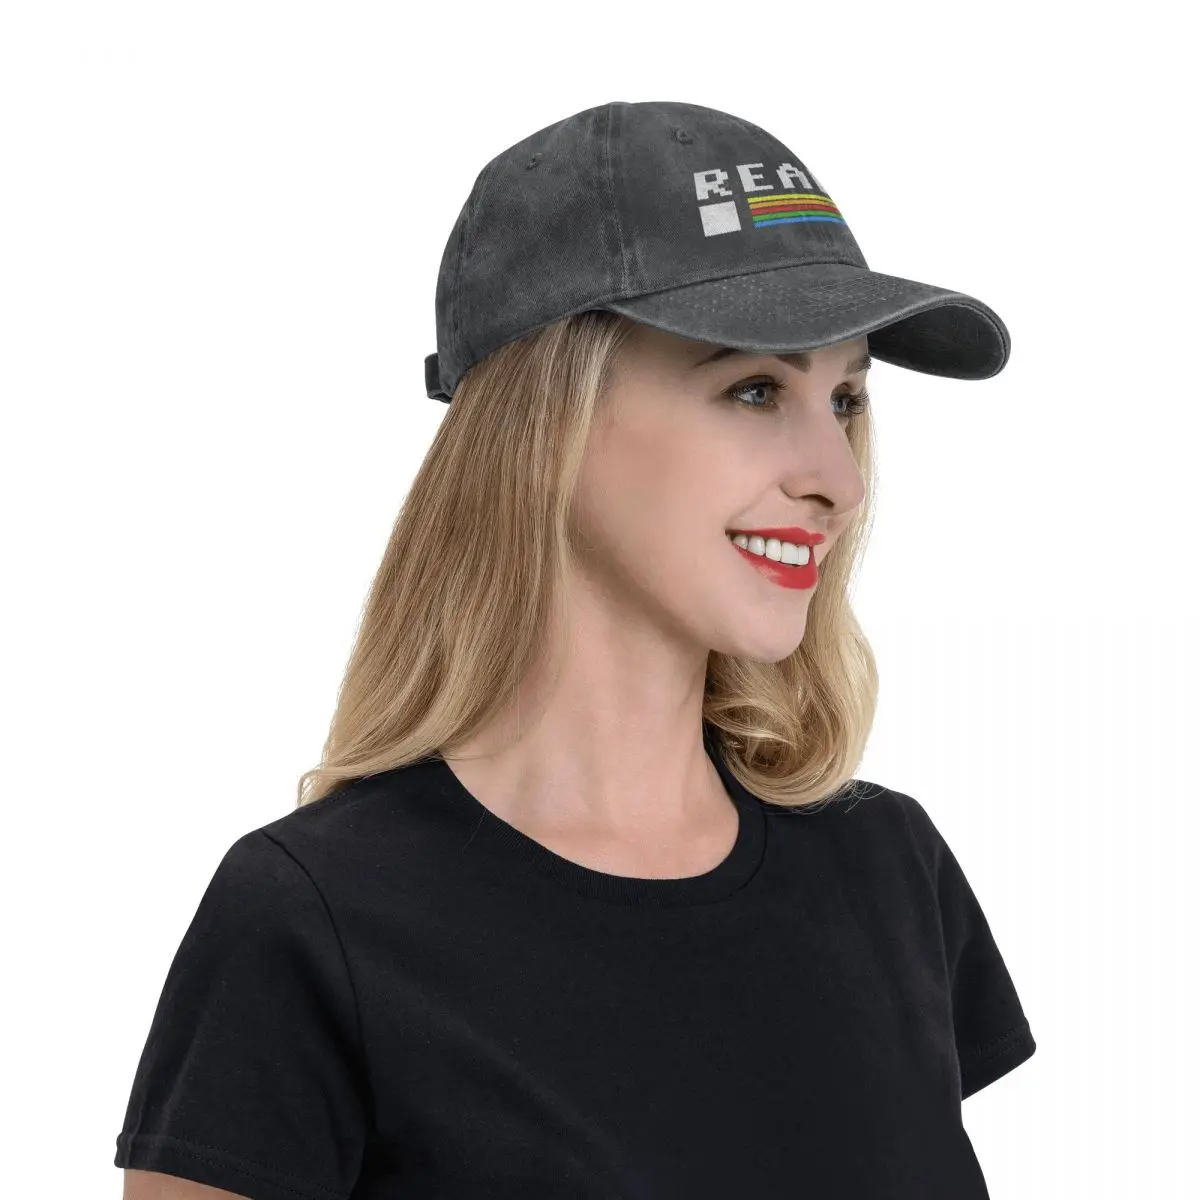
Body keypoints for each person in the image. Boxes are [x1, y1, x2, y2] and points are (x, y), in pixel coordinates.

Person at [115, 100, 1036, 1199]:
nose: (836, 478)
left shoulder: (887, 871)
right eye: (753, 389)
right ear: (547, 420)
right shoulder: (316, 921)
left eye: (844, 399)